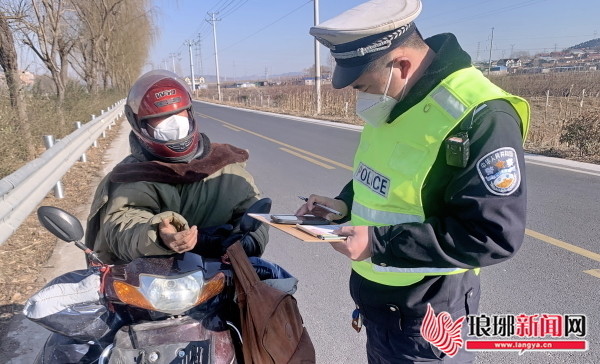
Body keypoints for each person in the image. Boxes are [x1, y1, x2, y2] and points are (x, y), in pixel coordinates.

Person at [298, 0, 530, 362]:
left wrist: (379, 242)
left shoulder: (480, 115)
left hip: (428, 318)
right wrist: (342, 204)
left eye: (364, 85)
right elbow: (378, 177)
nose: (363, 97)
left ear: (401, 65)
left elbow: (494, 235)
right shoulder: (397, 100)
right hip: (380, 307)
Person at [85, 70, 268, 264]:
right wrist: (158, 234)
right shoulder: (129, 177)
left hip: (221, 280)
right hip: (151, 283)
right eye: (161, 118)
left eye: (178, 114)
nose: (174, 124)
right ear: (139, 124)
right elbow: (120, 227)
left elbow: (253, 216)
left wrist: (248, 242)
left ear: (190, 113)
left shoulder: (227, 168)